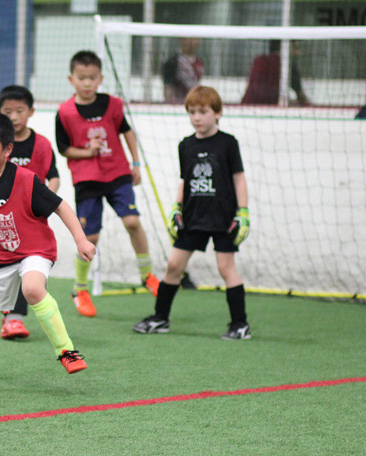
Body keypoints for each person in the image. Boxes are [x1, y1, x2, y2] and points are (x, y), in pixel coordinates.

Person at [0, 112, 96, 383]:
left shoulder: (26, 180)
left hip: (36, 251)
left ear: (7, 149)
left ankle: (67, 351)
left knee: (32, 288)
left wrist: (81, 239)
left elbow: (61, 207)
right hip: (0, 258)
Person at [133, 85, 251, 340]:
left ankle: (240, 324)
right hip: (193, 216)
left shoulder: (229, 143)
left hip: (223, 217)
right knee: (174, 265)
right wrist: (176, 207)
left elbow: (239, 179)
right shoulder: (185, 145)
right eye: (192, 112)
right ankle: (161, 318)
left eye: (203, 111)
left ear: (218, 113)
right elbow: (185, 180)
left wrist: (243, 212)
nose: (197, 117)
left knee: (225, 267)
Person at [56, 50, 159, 319]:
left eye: (92, 78)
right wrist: (87, 151)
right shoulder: (65, 112)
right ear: (71, 79)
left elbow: (127, 133)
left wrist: (136, 164)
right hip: (87, 179)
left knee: (133, 222)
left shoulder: (113, 105)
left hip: (117, 173)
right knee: (90, 237)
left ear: (100, 78)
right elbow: (64, 149)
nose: (87, 83)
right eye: (81, 78)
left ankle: (147, 275)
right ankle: (80, 288)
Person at [0, 84, 60, 341]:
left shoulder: (41, 145)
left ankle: (14, 319)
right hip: (4, 218)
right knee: (8, 268)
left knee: (30, 265)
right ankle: (8, 316)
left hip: (33, 218)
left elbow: (53, 178)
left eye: (19, 110)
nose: (13, 116)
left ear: (31, 111)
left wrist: (44, 201)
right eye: (7, 111)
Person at [241, 40, 310, 106]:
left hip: (245, 107)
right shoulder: (288, 67)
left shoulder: (259, 60)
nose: (298, 52)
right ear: (285, 47)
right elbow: (302, 97)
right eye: (295, 48)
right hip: (270, 109)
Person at [162, 37, 203, 105]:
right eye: (189, 39)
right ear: (181, 40)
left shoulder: (199, 62)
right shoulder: (173, 62)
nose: (192, 42)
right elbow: (167, 87)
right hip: (177, 105)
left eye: (196, 39)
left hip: (193, 104)